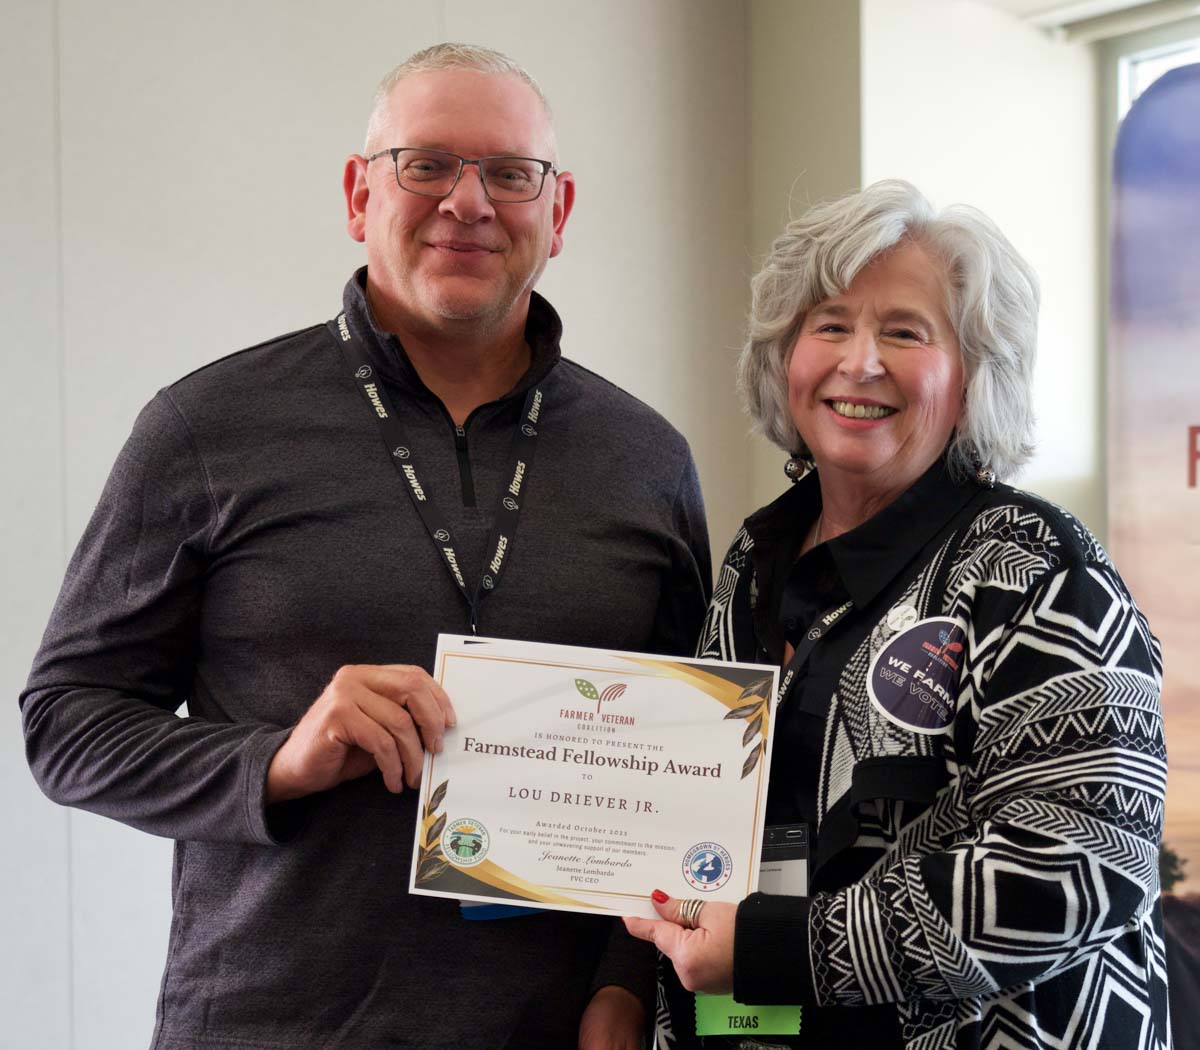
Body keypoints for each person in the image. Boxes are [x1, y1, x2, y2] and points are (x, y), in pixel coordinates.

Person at [21, 43, 711, 1049]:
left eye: (510, 173)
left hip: (555, 1030)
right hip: (268, 1023)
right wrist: (278, 762)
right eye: (425, 163)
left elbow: (683, 768)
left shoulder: (646, 458)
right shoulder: (205, 427)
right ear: (359, 194)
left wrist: (621, 987)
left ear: (556, 215)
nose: (468, 202)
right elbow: (65, 725)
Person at [625, 180, 1169, 1050]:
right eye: (831, 324)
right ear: (784, 358)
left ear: (973, 378)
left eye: (905, 332)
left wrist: (781, 949)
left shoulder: (1034, 568)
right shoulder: (754, 559)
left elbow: (1087, 866)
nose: (859, 361)